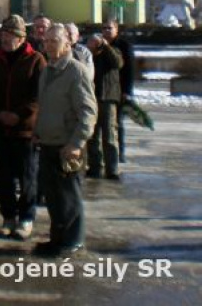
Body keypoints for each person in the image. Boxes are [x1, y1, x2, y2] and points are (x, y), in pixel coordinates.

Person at [0, 14, 45, 241]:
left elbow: (38, 95)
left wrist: (18, 115)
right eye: (3, 34)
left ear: (21, 38)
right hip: (0, 128)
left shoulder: (36, 60)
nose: (6, 39)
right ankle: (8, 217)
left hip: (25, 130)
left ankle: (26, 218)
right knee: (4, 177)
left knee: (28, 177)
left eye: (11, 35)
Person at [34, 24, 97, 257]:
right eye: (46, 41)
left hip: (68, 146)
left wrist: (77, 143)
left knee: (69, 196)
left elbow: (88, 112)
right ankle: (57, 239)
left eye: (54, 41)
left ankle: (72, 241)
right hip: (48, 142)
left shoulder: (76, 71)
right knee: (54, 197)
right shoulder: (48, 70)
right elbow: (45, 106)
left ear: (67, 44)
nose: (48, 45)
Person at [86, 32, 124, 179]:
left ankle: (112, 169)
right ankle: (95, 167)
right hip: (91, 99)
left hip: (108, 98)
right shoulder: (88, 56)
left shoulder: (113, 52)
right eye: (92, 42)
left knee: (109, 135)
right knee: (92, 136)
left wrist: (106, 47)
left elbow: (118, 63)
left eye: (97, 42)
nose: (95, 44)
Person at [102, 20, 134, 163]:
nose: (107, 31)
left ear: (116, 30)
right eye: (104, 28)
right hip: (104, 91)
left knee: (118, 123)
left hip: (119, 90)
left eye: (110, 28)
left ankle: (120, 152)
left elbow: (129, 70)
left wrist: (127, 90)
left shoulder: (124, 46)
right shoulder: (99, 45)